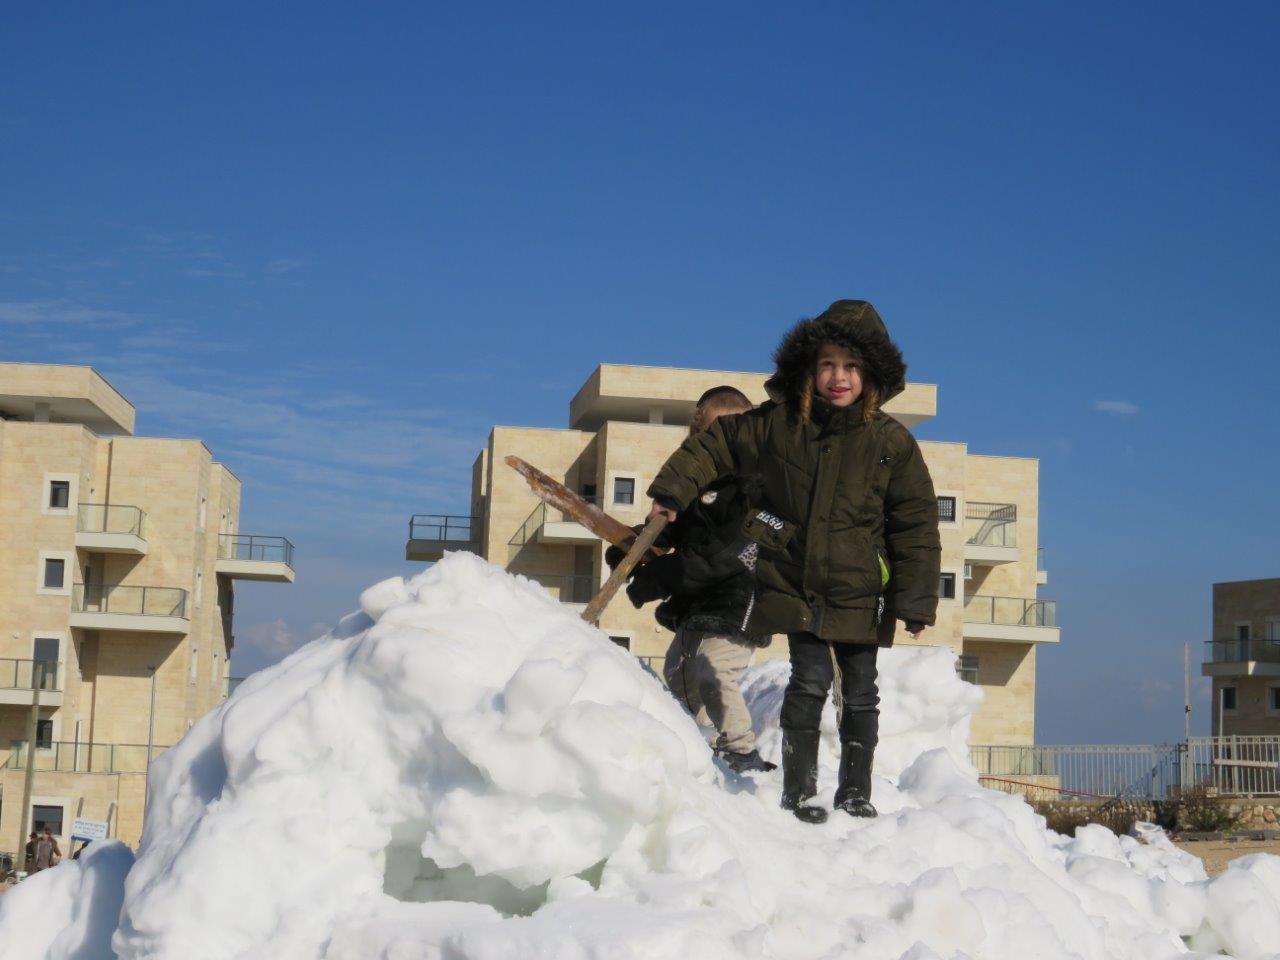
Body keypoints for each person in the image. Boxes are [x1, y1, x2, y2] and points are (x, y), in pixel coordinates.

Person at [646, 300, 941, 823]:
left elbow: (914, 525)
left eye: (851, 366)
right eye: (828, 364)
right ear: (808, 367)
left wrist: (914, 600)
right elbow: (715, 445)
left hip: (860, 592)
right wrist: (672, 492)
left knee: (861, 694)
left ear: (871, 373)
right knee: (807, 683)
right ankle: (799, 790)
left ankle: (855, 791)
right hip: (797, 584)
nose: (838, 377)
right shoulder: (778, 425)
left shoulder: (891, 443)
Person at [608, 386, 776, 774]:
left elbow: (731, 551)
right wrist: (634, 548)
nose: (723, 442)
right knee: (678, 672)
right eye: (712, 434)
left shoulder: (755, 487)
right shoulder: (694, 486)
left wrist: (670, 573)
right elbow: (667, 531)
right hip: (696, 603)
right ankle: (697, 744)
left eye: (732, 432)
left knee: (713, 668)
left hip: (740, 598)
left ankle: (741, 750)